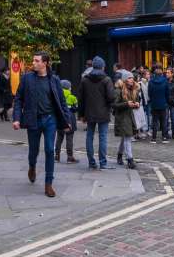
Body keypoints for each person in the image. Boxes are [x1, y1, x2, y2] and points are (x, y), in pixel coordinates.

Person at [13, 52, 72, 197]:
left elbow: (62, 102)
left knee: (49, 150)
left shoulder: (54, 79)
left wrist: (67, 120)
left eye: (36, 60)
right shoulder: (27, 78)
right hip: (33, 119)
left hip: (50, 119)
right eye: (33, 60)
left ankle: (48, 184)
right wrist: (16, 118)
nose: (33, 63)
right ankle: (32, 166)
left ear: (45, 63)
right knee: (33, 150)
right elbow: (19, 99)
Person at [78, 55, 116, 169]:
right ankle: (103, 163)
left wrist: (81, 114)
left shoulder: (84, 79)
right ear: (103, 67)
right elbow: (111, 97)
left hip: (89, 112)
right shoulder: (107, 79)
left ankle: (91, 162)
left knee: (89, 136)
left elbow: (81, 98)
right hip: (103, 112)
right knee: (103, 137)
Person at [113, 74, 140, 168]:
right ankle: (130, 160)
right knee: (127, 137)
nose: (132, 79)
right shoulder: (118, 90)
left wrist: (137, 104)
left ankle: (119, 155)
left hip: (130, 116)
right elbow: (114, 105)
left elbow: (136, 100)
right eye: (129, 78)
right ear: (124, 79)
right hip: (121, 117)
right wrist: (126, 104)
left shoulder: (133, 89)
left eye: (132, 77)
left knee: (125, 138)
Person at [55, 79, 79, 163]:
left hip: (60, 119)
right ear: (68, 88)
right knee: (69, 138)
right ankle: (69, 157)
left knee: (59, 138)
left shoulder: (57, 96)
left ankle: (56, 156)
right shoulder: (73, 98)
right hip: (70, 119)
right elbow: (76, 108)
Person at [147, 65, 171, 143]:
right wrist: (167, 101)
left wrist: (152, 100)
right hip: (163, 103)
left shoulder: (151, 82)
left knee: (154, 121)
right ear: (161, 73)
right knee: (164, 121)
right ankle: (164, 137)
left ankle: (154, 138)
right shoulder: (165, 81)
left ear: (154, 74)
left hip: (154, 104)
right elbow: (167, 93)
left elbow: (149, 93)